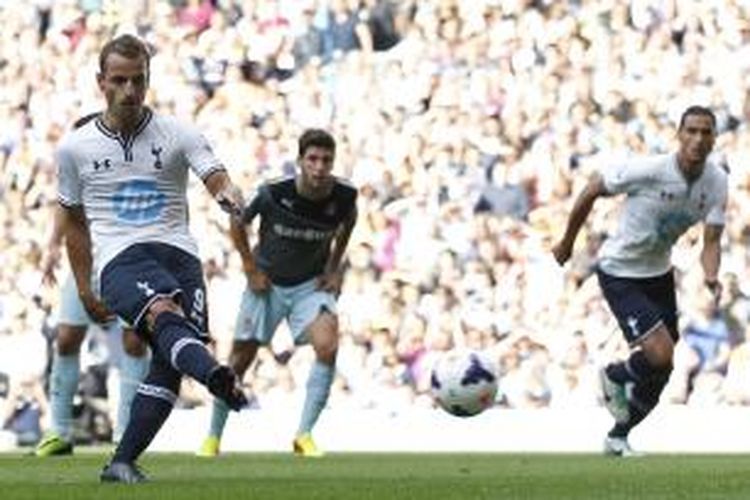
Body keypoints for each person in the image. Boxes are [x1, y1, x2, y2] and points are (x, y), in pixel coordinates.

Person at [56, 34, 247, 483]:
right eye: (119, 81)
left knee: (169, 360)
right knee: (163, 312)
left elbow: (215, 175)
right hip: (120, 257)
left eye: (137, 80)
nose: (129, 91)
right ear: (100, 82)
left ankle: (121, 461)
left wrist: (228, 195)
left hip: (180, 255)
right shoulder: (74, 148)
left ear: (148, 79)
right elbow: (74, 224)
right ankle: (216, 375)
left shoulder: (180, 133)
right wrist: (84, 286)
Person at [552, 105, 727, 456]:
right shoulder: (650, 170)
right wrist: (568, 241)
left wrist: (711, 276)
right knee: (660, 354)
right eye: (691, 130)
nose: (698, 138)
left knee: (663, 369)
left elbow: (711, 240)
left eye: (706, 132)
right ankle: (615, 375)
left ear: (714, 139)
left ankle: (619, 434)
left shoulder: (717, 181)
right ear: (679, 134)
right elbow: (591, 190)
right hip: (620, 270)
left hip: (658, 273)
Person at [197, 128, 358, 458]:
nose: (319, 166)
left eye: (326, 160)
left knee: (328, 345)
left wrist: (334, 267)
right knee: (239, 361)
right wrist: (250, 268)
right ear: (300, 161)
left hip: (309, 286)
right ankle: (213, 437)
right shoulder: (273, 193)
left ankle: (304, 435)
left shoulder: (344, 197)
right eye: (312, 159)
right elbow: (238, 221)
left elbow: (348, 223)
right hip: (266, 283)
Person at [34, 202, 150, 457]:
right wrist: (53, 244)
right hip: (85, 262)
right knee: (66, 339)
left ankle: (125, 434)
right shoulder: (78, 163)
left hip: (129, 261)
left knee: (135, 341)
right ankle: (59, 432)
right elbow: (65, 202)